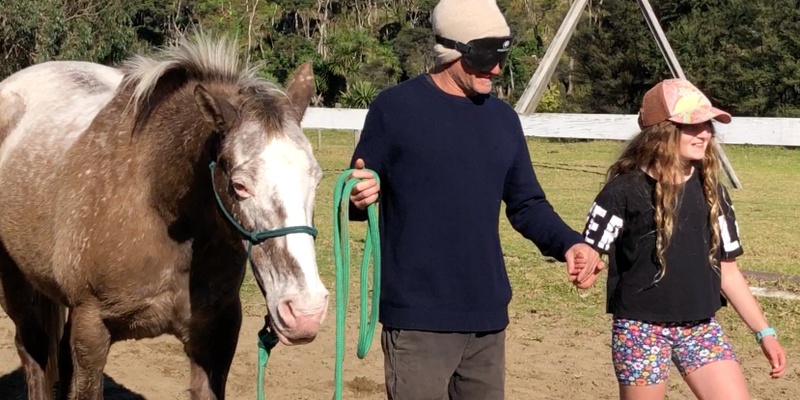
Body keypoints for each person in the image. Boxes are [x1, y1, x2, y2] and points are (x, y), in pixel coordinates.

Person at [346, 0, 604, 398]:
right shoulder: (394, 109)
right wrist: (360, 195)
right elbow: (356, 191)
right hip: (418, 322)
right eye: (485, 56)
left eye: (502, 54)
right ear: (450, 51)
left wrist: (569, 242)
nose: (497, 68)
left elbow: (526, 203)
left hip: (487, 319)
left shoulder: (503, 121)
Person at [578, 78, 787, 400]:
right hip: (640, 331)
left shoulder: (712, 191)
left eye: (707, 124)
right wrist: (585, 267)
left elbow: (728, 272)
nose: (704, 133)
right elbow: (589, 252)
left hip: (700, 328)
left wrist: (765, 332)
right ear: (660, 132)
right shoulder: (623, 191)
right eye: (692, 126)